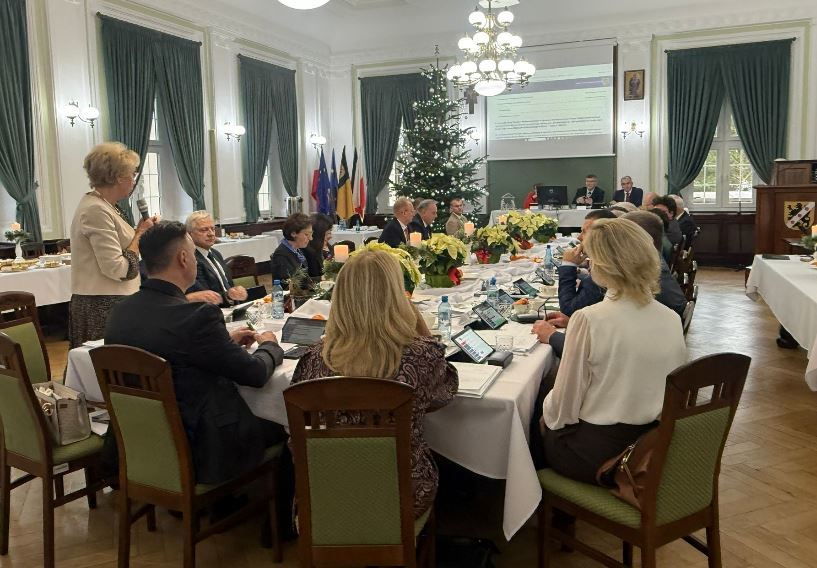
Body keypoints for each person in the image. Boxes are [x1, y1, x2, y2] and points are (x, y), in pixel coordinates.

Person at [105, 221, 287, 485]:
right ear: (183, 258)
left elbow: (174, 350)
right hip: (202, 446)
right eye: (192, 253)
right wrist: (270, 345)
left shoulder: (119, 311)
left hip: (138, 439)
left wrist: (224, 343)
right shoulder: (196, 316)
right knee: (284, 423)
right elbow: (255, 374)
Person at [292, 250, 458, 518]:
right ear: (397, 296)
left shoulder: (313, 359)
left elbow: (297, 430)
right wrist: (418, 324)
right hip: (401, 496)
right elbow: (444, 394)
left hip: (324, 496)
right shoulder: (421, 356)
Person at [535, 218, 687, 485]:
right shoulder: (670, 317)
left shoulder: (589, 318)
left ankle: (535, 499)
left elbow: (562, 411)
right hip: (653, 444)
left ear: (601, 265)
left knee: (536, 414)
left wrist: (543, 412)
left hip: (602, 455)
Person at [538, 210, 687, 357]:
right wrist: (577, 325)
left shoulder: (608, 306)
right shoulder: (669, 316)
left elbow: (591, 355)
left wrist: (554, 335)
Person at [69, 142, 156, 348]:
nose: (134, 179)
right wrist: (140, 234)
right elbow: (117, 268)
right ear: (119, 177)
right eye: (132, 174)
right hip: (102, 304)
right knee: (108, 364)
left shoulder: (106, 206)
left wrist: (139, 232)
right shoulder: (95, 210)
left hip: (114, 300)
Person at [557, 209, 617, 317]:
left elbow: (569, 310)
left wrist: (568, 265)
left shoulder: (604, 273)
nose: (579, 237)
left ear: (600, 236)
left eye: (584, 232)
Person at [184, 210, 247, 306]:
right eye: (204, 230)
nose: (211, 234)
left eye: (212, 229)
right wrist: (229, 295)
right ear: (189, 234)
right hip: (212, 310)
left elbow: (228, 286)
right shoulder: (191, 259)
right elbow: (204, 296)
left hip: (232, 307)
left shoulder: (216, 253)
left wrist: (236, 292)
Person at [270, 213, 312, 283]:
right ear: (293, 234)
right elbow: (289, 284)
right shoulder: (281, 255)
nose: (310, 238)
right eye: (306, 234)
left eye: (311, 234)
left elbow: (305, 279)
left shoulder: (297, 250)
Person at [304, 213, 334, 278]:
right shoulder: (308, 253)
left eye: (330, 232)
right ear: (317, 234)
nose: (330, 236)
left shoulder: (325, 248)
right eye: (327, 233)